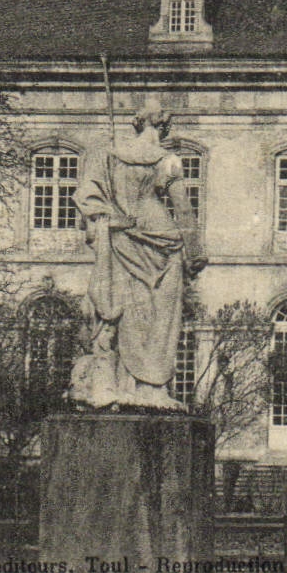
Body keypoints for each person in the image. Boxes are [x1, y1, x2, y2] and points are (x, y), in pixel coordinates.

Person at [67, 105, 206, 411]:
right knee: (161, 317)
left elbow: (89, 195)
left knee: (122, 309)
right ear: (165, 126)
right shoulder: (167, 159)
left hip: (121, 234)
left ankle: (118, 384)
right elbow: (182, 208)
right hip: (162, 237)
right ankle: (150, 387)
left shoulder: (111, 153)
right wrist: (196, 252)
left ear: (137, 124)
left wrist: (110, 218)